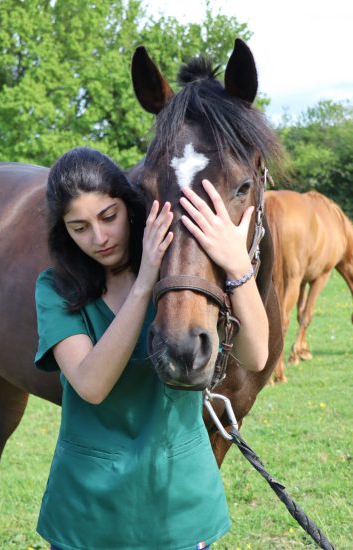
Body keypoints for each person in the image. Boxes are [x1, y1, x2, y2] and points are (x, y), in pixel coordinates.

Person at [34, 146, 269, 550]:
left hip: (178, 504)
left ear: (131, 207)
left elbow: (255, 356)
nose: (100, 237)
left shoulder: (181, 271)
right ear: (64, 233)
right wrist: (143, 284)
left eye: (108, 217)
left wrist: (236, 266)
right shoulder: (55, 289)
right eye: (79, 227)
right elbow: (91, 384)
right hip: (91, 511)